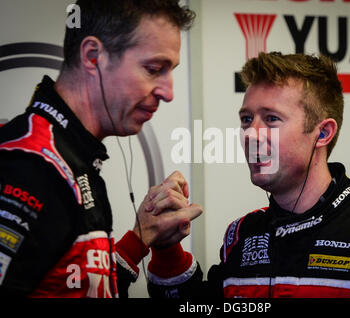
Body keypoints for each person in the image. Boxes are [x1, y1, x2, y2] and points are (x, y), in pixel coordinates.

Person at [145, 52, 350, 298]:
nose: (251, 133)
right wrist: (166, 248)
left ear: (323, 132)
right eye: (246, 119)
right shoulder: (241, 235)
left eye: (272, 119)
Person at [0, 0, 202, 298]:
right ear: (93, 56)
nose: (168, 92)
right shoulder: (31, 164)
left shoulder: (72, 157)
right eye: (154, 69)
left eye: (170, 71)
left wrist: (140, 237)